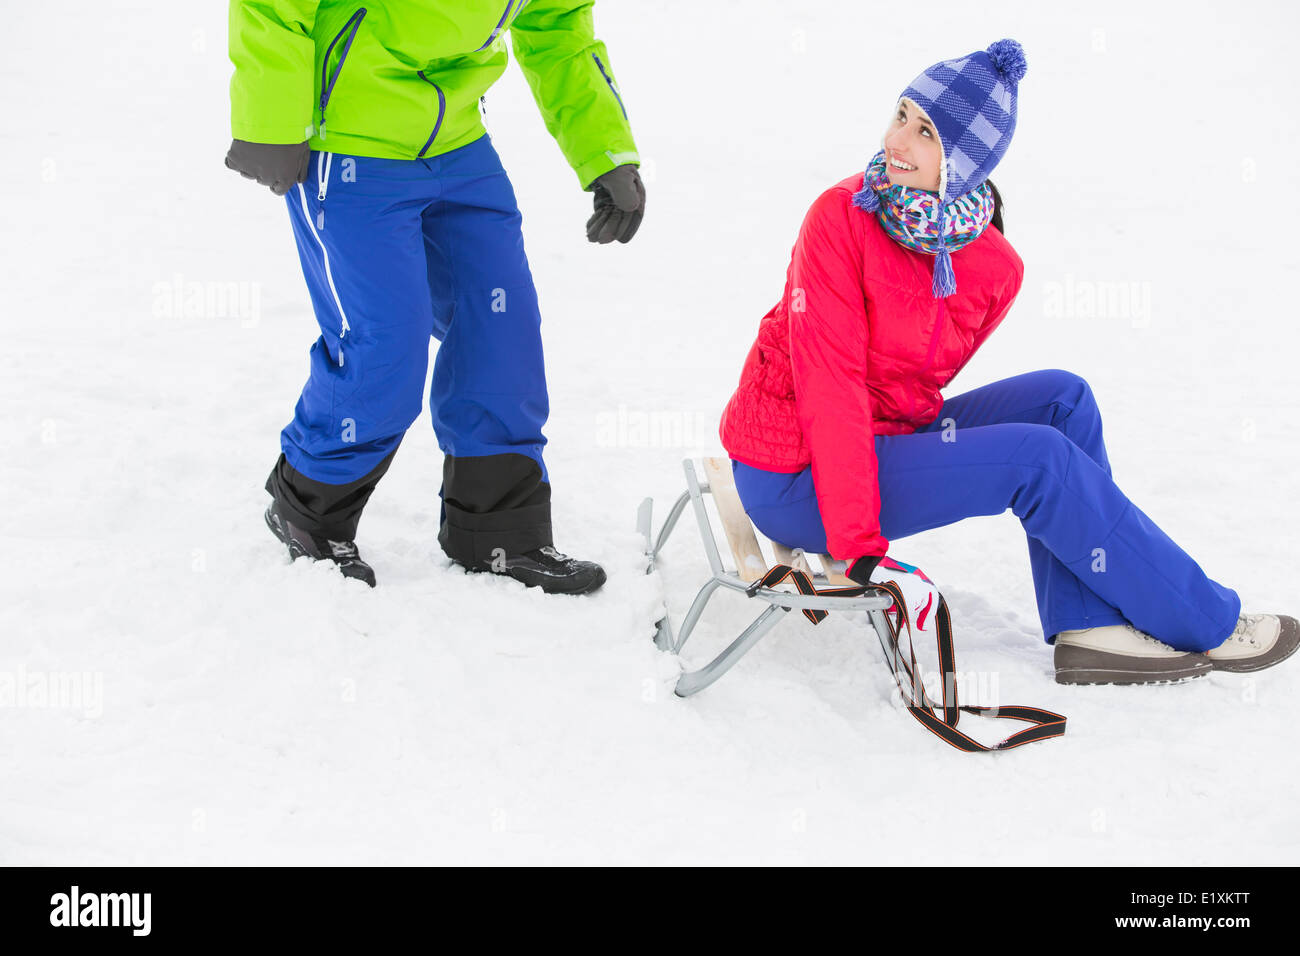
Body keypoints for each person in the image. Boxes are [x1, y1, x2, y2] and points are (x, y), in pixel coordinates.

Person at [718, 39, 1296, 684]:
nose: (898, 141)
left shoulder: (988, 263)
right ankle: (1207, 623)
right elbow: (831, 386)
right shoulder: (839, 216)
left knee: (1062, 399)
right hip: (794, 479)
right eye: (901, 115)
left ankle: (1089, 625)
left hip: (875, 438)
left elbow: (908, 382)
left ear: (967, 160)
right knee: (1035, 460)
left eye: (927, 131)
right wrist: (856, 545)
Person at [225, 1, 646, 594]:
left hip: (457, 144)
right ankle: (309, 508)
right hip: (347, 145)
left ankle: (498, 529)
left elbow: (557, 30)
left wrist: (608, 153)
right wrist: (268, 121)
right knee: (384, 343)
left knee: (501, 329)